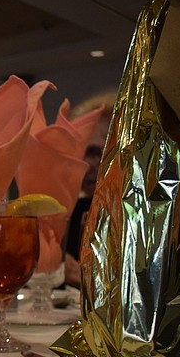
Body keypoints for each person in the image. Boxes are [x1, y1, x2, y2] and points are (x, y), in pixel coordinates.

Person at [65, 92, 115, 288]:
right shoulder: (74, 212)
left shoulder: (141, 217)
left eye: (95, 153)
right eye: (79, 154)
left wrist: (86, 279)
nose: (85, 165)